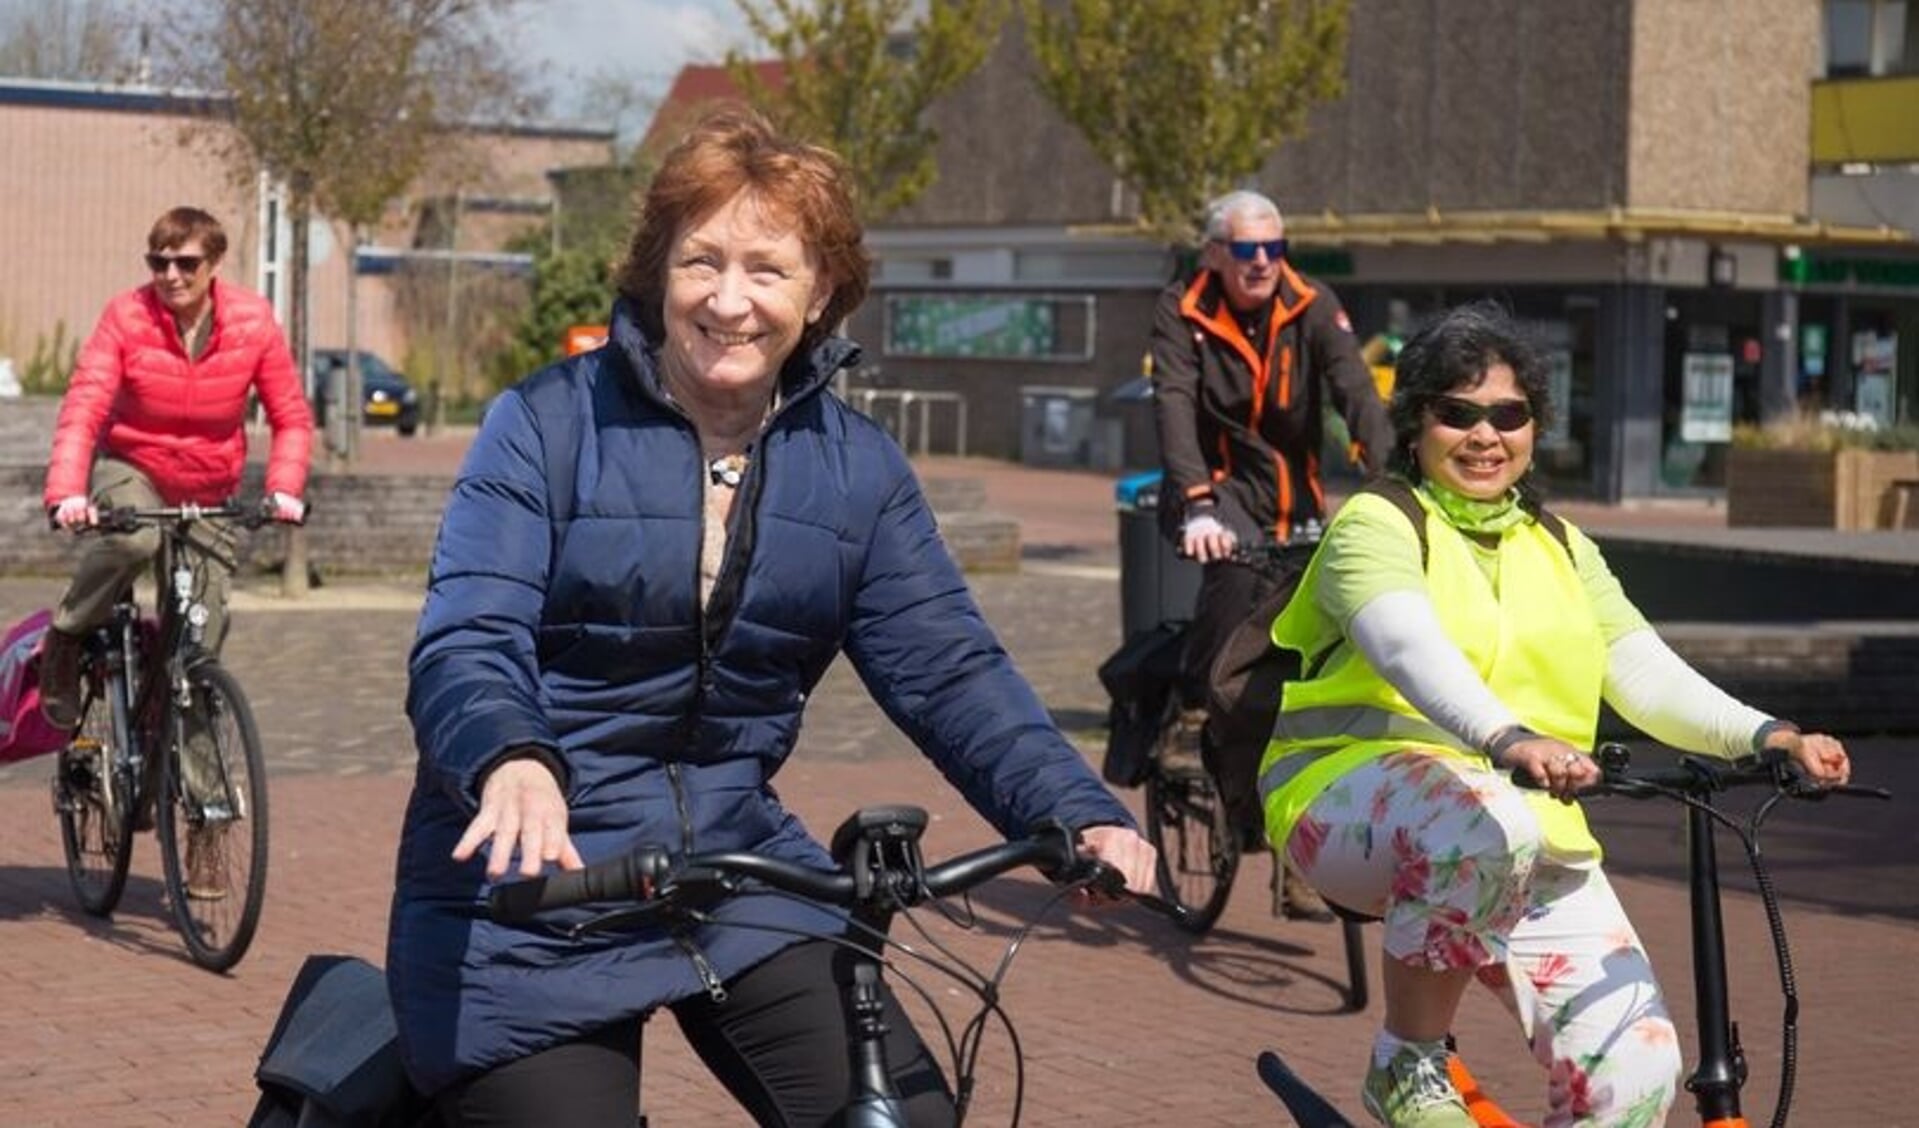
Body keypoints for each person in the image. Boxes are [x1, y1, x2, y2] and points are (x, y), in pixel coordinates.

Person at [387, 108, 1158, 1128]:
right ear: (655, 272)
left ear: (822, 293)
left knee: (906, 1114)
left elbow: (949, 672)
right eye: (701, 262)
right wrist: (511, 757)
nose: (730, 300)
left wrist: (1071, 808)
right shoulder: (545, 423)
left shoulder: (856, 472)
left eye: (768, 269)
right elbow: (468, 634)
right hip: (530, 889)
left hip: (731, 866)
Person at [1257, 301, 1852, 1127]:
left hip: (1521, 830)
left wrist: (1767, 734)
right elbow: (1404, 647)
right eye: (1456, 413)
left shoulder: (1562, 544)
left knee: (1635, 1074)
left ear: (1535, 426)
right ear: (1415, 422)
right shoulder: (1377, 523)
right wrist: (1506, 738)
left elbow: (1641, 670)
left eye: (1508, 414)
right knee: (1480, 823)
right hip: (1349, 806)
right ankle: (1408, 1062)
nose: (1483, 435)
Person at [40, 205, 311, 895]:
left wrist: (282, 490)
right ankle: (69, 635)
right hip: (133, 470)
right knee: (132, 534)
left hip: (213, 490)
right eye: (158, 261)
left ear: (213, 264)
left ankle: (205, 829)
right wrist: (67, 491)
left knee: (195, 664)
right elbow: (86, 404)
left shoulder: (251, 322)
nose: (169, 274)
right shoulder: (127, 318)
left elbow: (290, 417)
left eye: (185, 262)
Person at [1149, 188, 1393, 917]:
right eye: (1247, 251)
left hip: (1291, 497)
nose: (1261, 265)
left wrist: (1393, 485)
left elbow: (1354, 391)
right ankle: (1194, 714)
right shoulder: (1182, 307)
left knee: (1310, 656)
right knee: (1230, 581)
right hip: (1215, 491)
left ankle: (1296, 853)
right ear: (1215, 253)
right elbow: (1172, 402)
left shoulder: (1310, 303)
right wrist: (1194, 501)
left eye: (1273, 249)